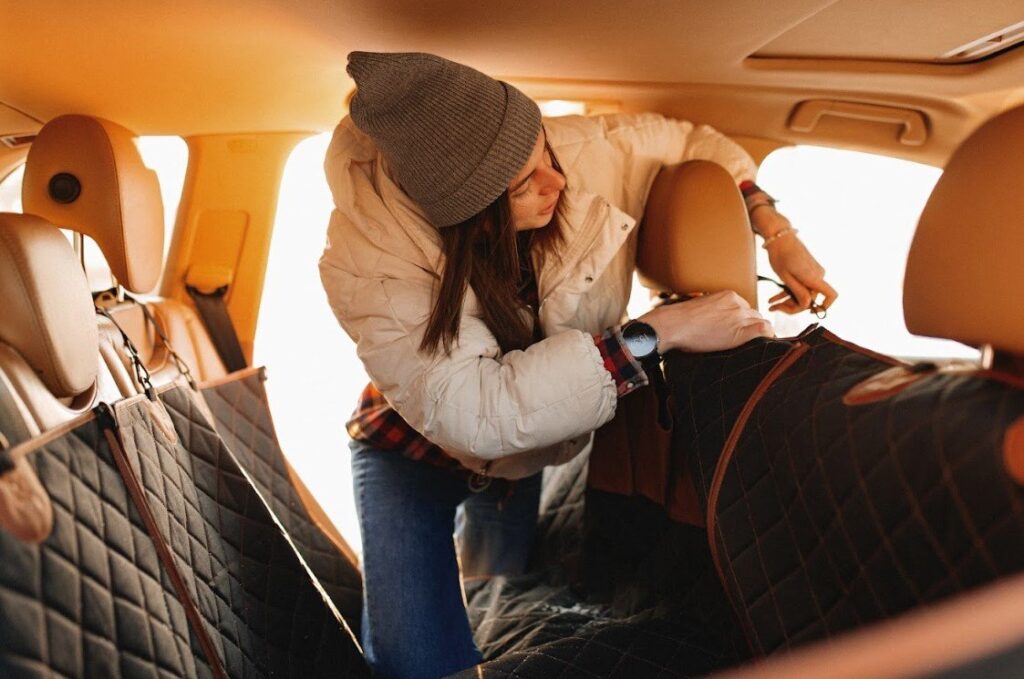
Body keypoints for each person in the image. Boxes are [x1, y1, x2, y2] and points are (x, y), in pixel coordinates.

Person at [320, 51, 836, 679]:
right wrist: (653, 335)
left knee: (494, 597)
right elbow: (480, 413)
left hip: (522, 455)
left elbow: (703, 144)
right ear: (464, 214)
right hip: (410, 452)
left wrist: (776, 232)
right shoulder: (366, 260)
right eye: (522, 185)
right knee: (420, 666)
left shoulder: (584, 153)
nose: (556, 183)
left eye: (546, 154)